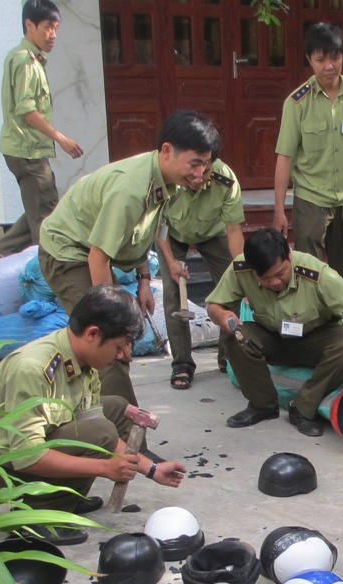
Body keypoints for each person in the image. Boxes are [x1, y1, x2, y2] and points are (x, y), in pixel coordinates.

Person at [0, 284, 186, 545]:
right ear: (93, 333)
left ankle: (66, 496)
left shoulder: (84, 363)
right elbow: (28, 457)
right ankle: (37, 519)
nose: (125, 356)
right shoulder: (33, 368)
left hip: (30, 449)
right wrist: (104, 467)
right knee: (100, 431)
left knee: (115, 409)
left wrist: (152, 469)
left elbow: (96, 426)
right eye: (119, 347)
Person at [38, 109, 220, 406]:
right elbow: (98, 258)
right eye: (194, 164)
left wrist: (144, 281)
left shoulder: (169, 182)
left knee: (111, 342)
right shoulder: (131, 189)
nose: (200, 175)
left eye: (206, 165)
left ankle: (97, 419)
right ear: (166, 151)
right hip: (69, 253)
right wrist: (113, 317)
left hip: (93, 251)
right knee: (110, 346)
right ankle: (131, 443)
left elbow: (143, 232)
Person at [206, 228, 343, 436]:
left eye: (281, 273)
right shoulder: (240, 269)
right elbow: (213, 306)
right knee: (236, 337)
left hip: (315, 338)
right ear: (252, 271)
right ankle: (263, 406)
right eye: (266, 279)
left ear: (289, 255)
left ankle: (302, 408)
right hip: (271, 337)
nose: (275, 282)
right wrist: (222, 316)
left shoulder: (316, 273)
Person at [273, 22, 343, 284]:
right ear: (310, 59)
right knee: (306, 272)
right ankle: (310, 322)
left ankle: (340, 322)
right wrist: (279, 208)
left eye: (335, 57)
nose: (329, 66)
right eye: (321, 59)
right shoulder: (297, 103)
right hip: (311, 199)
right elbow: (285, 156)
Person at [0, 0, 83, 259]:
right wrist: (61, 138)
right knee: (46, 222)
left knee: (45, 207)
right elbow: (26, 109)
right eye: (47, 27)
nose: (53, 34)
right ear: (29, 25)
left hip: (26, 150)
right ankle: (46, 276)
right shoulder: (26, 62)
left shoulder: (26, 58)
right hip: (27, 152)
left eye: (56, 27)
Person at [156, 158, 245, 390]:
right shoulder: (167, 175)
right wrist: (170, 261)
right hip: (172, 234)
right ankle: (182, 363)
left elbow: (234, 229)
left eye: (204, 173)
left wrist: (240, 271)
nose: (197, 179)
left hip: (212, 233)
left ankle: (228, 357)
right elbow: (159, 225)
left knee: (232, 290)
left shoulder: (226, 179)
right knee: (174, 296)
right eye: (192, 174)